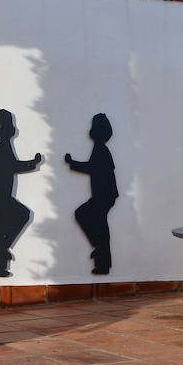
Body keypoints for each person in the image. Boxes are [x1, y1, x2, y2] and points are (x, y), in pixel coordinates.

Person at [0, 109, 42, 278]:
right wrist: (33, 163)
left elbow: (11, 166)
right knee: (21, 215)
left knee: (2, 227)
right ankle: (1, 253)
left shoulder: (3, 146)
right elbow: (12, 166)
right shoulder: (2, 147)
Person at [65, 112, 118, 274]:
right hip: (105, 195)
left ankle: (100, 250)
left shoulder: (101, 149)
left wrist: (72, 163)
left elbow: (92, 168)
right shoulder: (100, 149)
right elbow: (93, 167)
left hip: (104, 195)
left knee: (82, 214)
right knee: (100, 225)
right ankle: (102, 259)